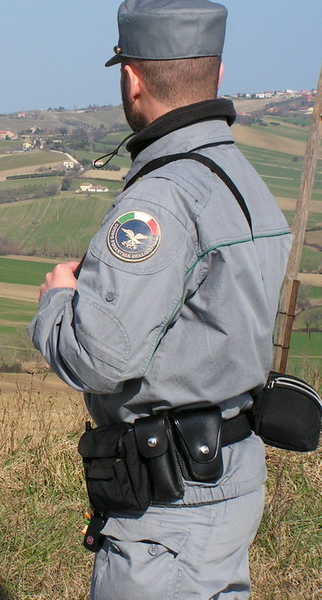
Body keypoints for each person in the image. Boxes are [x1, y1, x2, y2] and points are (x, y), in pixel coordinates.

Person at [28, 1, 292, 598]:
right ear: (217, 75)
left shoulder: (161, 200)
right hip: (232, 471)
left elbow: (102, 356)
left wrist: (56, 302)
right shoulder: (243, 179)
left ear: (132, 78)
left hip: (172, 500)